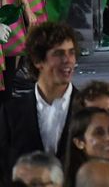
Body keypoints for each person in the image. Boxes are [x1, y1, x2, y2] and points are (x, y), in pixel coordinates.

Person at [0, 23, 78, 168]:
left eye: (71, 52)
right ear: (37, 60)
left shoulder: (88, 107)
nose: (68, 60)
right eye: (59, 54)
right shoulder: (11, 113)